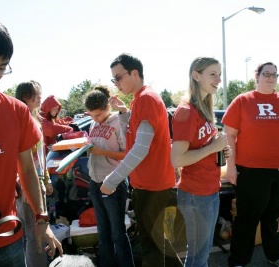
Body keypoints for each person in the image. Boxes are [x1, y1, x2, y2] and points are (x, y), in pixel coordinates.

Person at [0, 15, 62, 266]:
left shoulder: (15, 111)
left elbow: (27, 168)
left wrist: (41, 219)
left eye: (2, 67)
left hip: (7, 240)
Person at [222, 62, 279, 267]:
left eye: (274, 74)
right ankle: (238, 261)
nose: (270, 78)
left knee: (274, 217)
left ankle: (275, 255)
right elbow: (229, 136)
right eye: (266, 74)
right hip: (251, 172)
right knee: (247, 219)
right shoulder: (242, 101)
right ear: (257, 76)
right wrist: (231, 166)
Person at [100, 53, 181, 267]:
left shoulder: (146, 98)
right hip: (149, 183)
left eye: (118, 77)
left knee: (152, 247)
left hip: (152, 185)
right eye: (113, 79)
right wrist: (124, 112)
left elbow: (140, 149)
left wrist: (111, 181)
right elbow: (137, 138)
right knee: (157, 241)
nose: (116, 83)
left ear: (135, 73)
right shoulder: (140, 99)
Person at [170, 57, 231, 267]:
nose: (218, 79)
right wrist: (211, 148)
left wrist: (220, 149)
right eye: (212, 74)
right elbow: (176, 159)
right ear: (197, 75)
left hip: (209, 190)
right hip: (196, 194)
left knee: (200, 256)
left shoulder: (204, 109)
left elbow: (203, 147)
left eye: (220, 74)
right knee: (198, 258)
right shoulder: (186, 111)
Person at [84, 85, 135, 267]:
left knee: (117, 233)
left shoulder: (117, 123)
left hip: (113, 182)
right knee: (103, 232)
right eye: (91, 115)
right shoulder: (93, 124)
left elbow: (128, 154)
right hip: (95, 181)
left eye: (97, 114)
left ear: (107, 107)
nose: (94, 119)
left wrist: (99, 151)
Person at [15, 80, 54, 266]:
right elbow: (23, 161)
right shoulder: (19, 121)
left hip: (37, 181)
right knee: (34, 234)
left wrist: (46, 179)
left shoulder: (34, 120)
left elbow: (40, 156)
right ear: (25, 97)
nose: (40, 97)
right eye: (35, 94)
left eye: (40, 93)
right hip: (28, 185)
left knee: (31, 234)